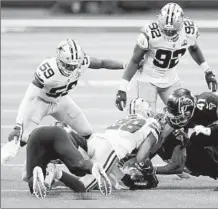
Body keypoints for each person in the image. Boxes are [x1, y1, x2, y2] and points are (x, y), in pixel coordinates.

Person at [2, 39, 127, 171]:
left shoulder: (81, 62)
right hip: (40, 102)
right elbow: (29, 97)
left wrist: (126, 65)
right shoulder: (48, 71)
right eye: (68, 65)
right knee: (21, 138)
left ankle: (89, 162)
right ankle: (4, 154)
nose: (72, 68)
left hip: (61, 100)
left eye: (74, 65)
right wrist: (18, 124)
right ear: (59, 60)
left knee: (87, 132)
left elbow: (102, 63)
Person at [115, 2, 218, 113]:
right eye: (165, 29)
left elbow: (194, 48)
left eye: (172, 30)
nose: (168, 33)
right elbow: (135, 61)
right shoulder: (150, 33)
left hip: (171, 79)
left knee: (184, 114)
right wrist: (122, 88)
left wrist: (207, 71)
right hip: (147, 79)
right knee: (146, 119)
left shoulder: (188, 31)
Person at [45, 98, 161, 192]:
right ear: (147, 111)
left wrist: (125, 178)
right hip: (109, 149)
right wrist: (146, 169)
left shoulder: (123, 120)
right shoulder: (152, 124)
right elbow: (141, 157)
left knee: (112, 181)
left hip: (95, 140)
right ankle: (56, 172)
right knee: (83, 186)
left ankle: (52, 180)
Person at [25, 125, 111, 198]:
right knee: (79, 167)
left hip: (36, 136)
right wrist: (58, 174)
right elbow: (81, 187)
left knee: (32, 185)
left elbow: (24, 176)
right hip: (58, 134)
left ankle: (37, 175)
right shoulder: (55, 171)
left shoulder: (42, 165)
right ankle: (93, 168)